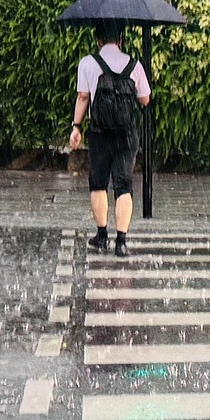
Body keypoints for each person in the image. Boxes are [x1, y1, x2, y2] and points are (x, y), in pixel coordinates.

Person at [67, 21, 150, 258]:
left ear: (98, 40)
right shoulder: (134, 65)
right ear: (120, 40)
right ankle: (121, 241)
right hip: (126, 132)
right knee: (124, 184)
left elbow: (83, 97)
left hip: (100, 132)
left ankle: (102, 235)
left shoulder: (88, 63)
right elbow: (145, 100)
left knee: (99, 182)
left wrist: (76, 127)